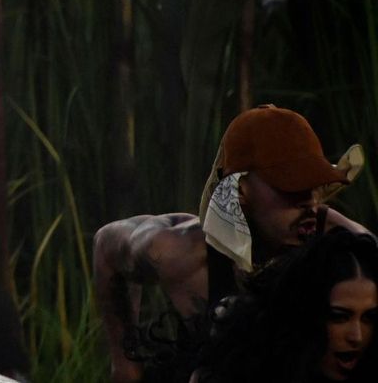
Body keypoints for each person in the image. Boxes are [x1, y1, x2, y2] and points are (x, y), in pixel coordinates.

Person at [93, 105, 367, 382]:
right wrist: (125, 366)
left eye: (315, 183)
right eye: (292, 187)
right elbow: (106, 246)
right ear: (241, 190)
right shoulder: (177, 253)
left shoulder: (351, 247)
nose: (311, 201)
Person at [192, 227, 378, 383]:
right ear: (304, 313)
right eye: (339, 317)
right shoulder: (239, 366)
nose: (357, 336)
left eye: (369, 318)